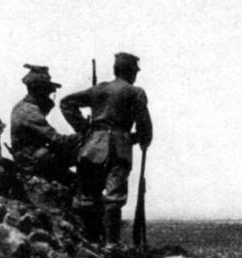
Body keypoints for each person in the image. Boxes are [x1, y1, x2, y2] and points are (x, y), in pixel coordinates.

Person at [60, 52, 153, 247]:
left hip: (91, 148)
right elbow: (145, 127)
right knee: (114, 197)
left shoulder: (99, 89)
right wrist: (133, 139)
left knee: (87, 195)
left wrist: (86, 131)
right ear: (130, 72)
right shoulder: (135, 92)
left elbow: (66, 103)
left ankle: (90, 241)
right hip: (119, 149)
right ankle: (111, 244)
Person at [9, 65, 79, 186]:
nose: (49, 95)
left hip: (31, 157)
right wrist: (82, 136)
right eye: (47, 90)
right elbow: (58, 140)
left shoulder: (23, 106)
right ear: (39, 90)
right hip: (33, 161)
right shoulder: (30, 112)